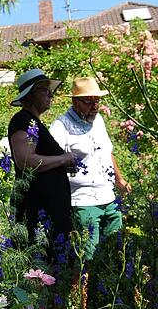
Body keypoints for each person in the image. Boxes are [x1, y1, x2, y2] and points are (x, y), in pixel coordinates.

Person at [50, 77, 131, 261]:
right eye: (88, 102)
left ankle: (107, 289)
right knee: (87, 254)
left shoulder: (98, 120)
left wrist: (119, 180)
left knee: (116, 251)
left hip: (108, 197)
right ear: (74, 102)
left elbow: (107, 152)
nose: (94, 106)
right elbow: (52, 160)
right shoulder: (61, 125)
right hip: (83, 201)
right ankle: (79, 289)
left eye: (97, 101)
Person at [7, 69, 77, 251]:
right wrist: (63, 159)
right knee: (37, 263)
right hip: (36, 209)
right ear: (30, 95)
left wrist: (62, 165)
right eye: (45, 90)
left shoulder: (34, 122)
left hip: (50, 211)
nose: (51, 94)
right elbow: (25, 160)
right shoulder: (22, 120)